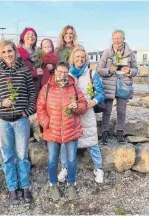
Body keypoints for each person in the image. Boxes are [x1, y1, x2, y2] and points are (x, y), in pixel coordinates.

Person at [0, 40, 36, 204]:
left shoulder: (24, 71)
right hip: (2, 121)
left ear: (15, 51)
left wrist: (27, 112)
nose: (7, 54)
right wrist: (1, 103)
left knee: (22, 156)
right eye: (4, 52)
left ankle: (25, 186)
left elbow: (32, 94)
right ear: (0, 54)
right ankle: (12, 188)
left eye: (10, 51)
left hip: (21, 120)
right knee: (7, 156)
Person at [37, 61, 87, 200]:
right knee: (52, 160)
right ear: (55, 72)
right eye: (59, 71)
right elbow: (40, 109)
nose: (62, 74)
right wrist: (47, 123)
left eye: (65, 72)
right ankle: (53, 184)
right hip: (52, 131)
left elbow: (84, 105)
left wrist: (76, 106)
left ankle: (71, 183)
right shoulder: (46, 88)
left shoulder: (74, 87)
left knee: (71, 160)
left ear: (68, 73)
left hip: (71, 129)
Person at [58, 46, 105, 184]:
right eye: (77, 57)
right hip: (70, 113)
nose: (80, 59)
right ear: (72, 58)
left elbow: (100, 93)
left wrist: (94, 100)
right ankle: (65, 168)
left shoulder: (92, 74)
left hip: (87, 112)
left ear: (86, 59)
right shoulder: (67, 74)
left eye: (82, 57)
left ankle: (98, 168)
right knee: (65, 142)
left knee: (92, 141)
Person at [97, 30, 138, 145]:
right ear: (111, 39)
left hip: (124, 84)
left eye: (119, 38)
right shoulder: (106, 53)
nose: (117, 40)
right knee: (107, 111)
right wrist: (109, 70)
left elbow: (136, 70)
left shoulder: (130, 53)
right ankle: (105, 132)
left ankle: (120, 132)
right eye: (114, 38)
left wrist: (129, 71)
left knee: (121, 111)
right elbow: (99, 69)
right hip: (109, 85)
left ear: (124, 39)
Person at [18, 27, 44, 95]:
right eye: (28, 34)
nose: (31, 36)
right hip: (23, 88)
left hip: (36, 87)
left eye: (33, 34)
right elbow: (16, 72)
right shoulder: (18, 52)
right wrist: (33, 73)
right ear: (23, 37)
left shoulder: (39, 52)